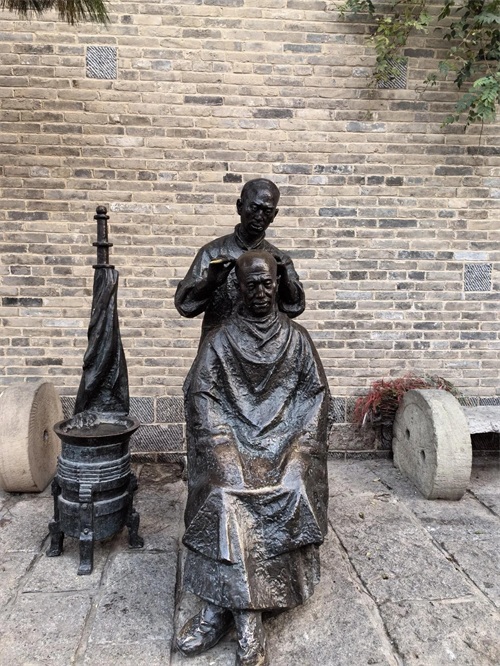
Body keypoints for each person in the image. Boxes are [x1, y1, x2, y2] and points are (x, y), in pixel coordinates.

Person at [177, 251, 329, 666]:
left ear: (277, 285)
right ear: (238, 288)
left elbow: (315, 400)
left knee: (290, 487)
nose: (260, 292)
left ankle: (218, 612)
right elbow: (203, 400)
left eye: (267, 283)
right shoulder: (219, 340)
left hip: (284, 446)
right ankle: (248, 623)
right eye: (251, 285)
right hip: (231, 445)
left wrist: (298, 455)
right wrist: (224, 453)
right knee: (228, 494)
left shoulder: (297, 339)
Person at [174, 178, 305, 342]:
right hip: (219, 348)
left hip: (264, 347)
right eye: (254, 208)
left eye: (267, 211)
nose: (259, 216)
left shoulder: (279, 260)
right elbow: (185, 306)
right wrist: (209, 283)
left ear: (274, 215)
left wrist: (285, 281)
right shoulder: (212, 253)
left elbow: (295, 307)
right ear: (240, 206)